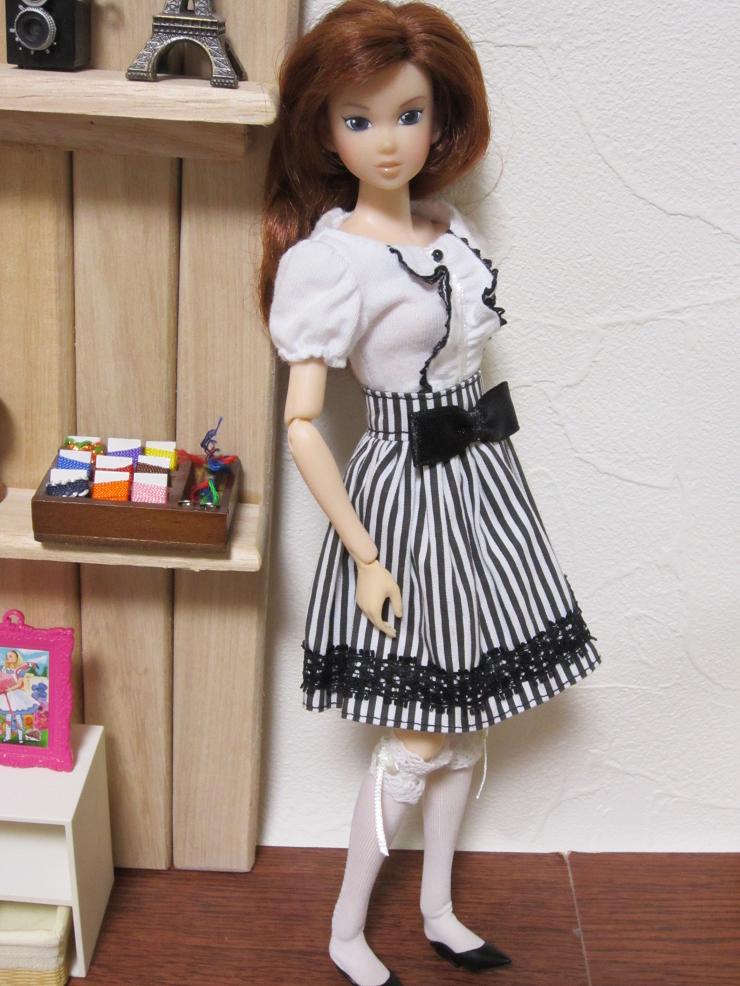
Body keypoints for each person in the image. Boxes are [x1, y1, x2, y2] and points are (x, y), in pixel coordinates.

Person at [260, 2, 602, 984]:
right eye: (357, 119)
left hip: (482, 483)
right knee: (416, 734)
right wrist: (364, 555)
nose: (386, 140)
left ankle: (440, 908)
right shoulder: (330, 262)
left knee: (465, 722)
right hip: (403, 492)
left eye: (407, 114)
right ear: (324, 131)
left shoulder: (449, 232)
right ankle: (345, 929)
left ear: (440, 116)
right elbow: (301, 423)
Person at [0, 649, 39, 745]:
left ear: (17, 658)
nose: (8, 658)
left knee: (18, 717)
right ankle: (7, 736)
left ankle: (20, 737)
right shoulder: (3, 669)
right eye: (7, 656)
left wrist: (10, 689)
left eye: (11, 656)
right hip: (6, 695)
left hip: (15, 695)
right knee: (8, 717)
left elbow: (19, 684)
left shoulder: (19, 670)